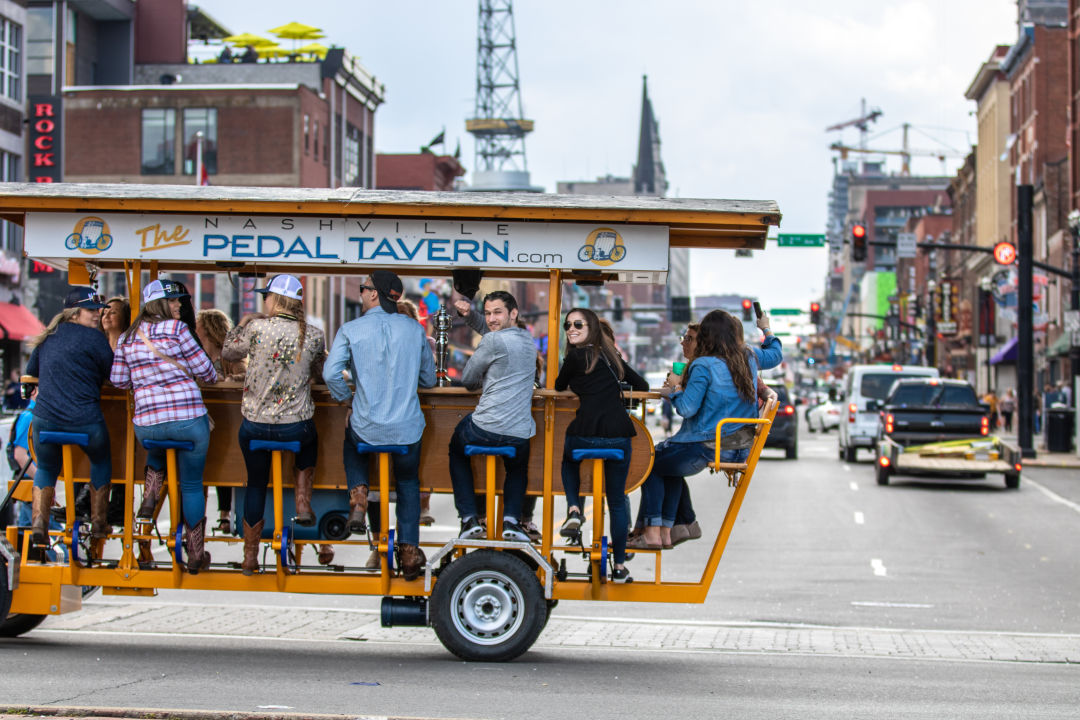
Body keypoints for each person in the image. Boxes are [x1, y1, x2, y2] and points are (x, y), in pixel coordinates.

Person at [323, 271, 436, 581]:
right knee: (409, 482)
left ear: (375, 294)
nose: (360, 294)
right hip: (407, 428)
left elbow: (331, 373)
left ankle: (358, 497)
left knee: (352, 442)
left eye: (363, 289)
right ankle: (410, 552)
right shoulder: (415, 330)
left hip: (366, 426)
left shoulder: (350, 329)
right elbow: (427, 379)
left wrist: (346, 401)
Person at [638, 309, 782, 549]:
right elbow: (776, 354)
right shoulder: (748, 356)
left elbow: (686, 408)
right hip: (739, 447)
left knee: (648, 461)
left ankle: (655, 532)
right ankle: (673, 530)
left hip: (705, 445)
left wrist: (673, 389)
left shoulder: (703, 365)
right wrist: (765, 328)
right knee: (667, 464)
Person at [222, 275, 330, 573]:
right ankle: (303, 504)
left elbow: (228, 352)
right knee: (310, 439)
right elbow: (321, 376)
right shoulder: (314, 334)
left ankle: (250, 556)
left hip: (255, 425)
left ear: (277, 299)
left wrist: (242, 322)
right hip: (295, 426)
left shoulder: (256, 328)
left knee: (256, 483)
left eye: (265, 297)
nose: (263, 302)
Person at [110, 279, 217, 573]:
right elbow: (207, 372)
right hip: (187, 422)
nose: (179, 305)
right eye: (173, 302)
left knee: (158, 442)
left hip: (147, 426)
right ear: (159, 304)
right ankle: (196, 554)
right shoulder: (178, 330)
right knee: (192, 484)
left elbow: (119, 381)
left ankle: (149, 498)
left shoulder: (127, 337)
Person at [555, 307, 648, 582]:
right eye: (568, 325)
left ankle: (574, 510)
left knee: (568, 461)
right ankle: (619, 567)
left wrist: (579, 384)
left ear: (591, 328)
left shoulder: (574, 357)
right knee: (617, 501)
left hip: (584, 432)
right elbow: (640, 383)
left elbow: (559, 386)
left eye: (578, 325)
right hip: (619, 434)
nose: (571, 329)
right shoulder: (612, 356)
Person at [26, 287, 114, 546]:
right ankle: (98, 523)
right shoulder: (96, 339)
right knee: (101, 461)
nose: (97, 315)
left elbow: (32, 372)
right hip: (85, 421)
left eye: (99, 310)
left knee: (46, 467)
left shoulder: (47, 337)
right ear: (74, 313)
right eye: (91, 310)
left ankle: (39, 523)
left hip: (45, 420)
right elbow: (115, 375)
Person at [448, 291, 537, 542]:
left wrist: (481, 380)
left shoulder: (492, 342)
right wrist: (471, 316)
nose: (491, 319)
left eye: (497, 312)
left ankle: (468, 518)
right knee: (517, 468)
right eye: (487, 313)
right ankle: (511, 521)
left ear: (514, 313)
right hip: (519, 432)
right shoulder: (528, 340)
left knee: (456, 448)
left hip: (486, 427)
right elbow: (494, 334)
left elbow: (467, 380)